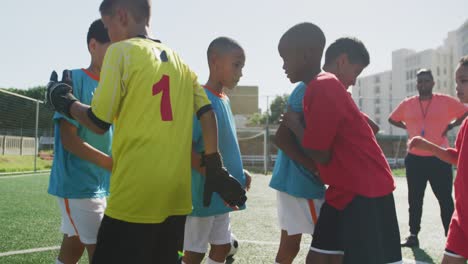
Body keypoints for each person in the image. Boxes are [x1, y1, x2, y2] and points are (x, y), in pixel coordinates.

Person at [44, 1, 246, 263]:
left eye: (108, 26)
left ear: (122, 16)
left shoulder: (121, 52)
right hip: (175, 198)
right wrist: (215, 165)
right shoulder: (179, 60)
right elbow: (207, 114)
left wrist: (65, 101)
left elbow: (97, 121)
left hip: (134, 194)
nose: (110, 34)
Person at [278, 22, 401, 264]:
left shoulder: (323, 86)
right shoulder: (324, 86)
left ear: (306, 55)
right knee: (318, 259)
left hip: (365, 191)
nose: (283, 65)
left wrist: (296, 126)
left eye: (285, 58)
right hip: (344, 189)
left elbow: (320, 154)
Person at [270, 36, 374, 264]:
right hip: (302, 184)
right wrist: (315, 168)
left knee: (291, 245)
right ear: (342, 62)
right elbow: (281, 137)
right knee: (332, 244)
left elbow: (369, 128)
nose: (355, 81)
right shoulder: (310, 87)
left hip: (295, 183)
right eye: (356, 73)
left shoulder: (329, 90)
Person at [47, 19, 112, 264]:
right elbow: (69, 140)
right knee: (105, 254)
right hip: (78, 186)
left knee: (72, 249)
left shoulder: (113, 86)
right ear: (93, 45)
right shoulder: (72, 79)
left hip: (100, 185)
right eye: (112, 48)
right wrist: (111, 164)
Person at [183, 36, 251, 264]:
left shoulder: (225, 100)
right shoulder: (199, 99)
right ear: (215, 61)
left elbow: (227, 144)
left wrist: (240, 174)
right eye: (236, 64)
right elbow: (185, 148)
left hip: (223, 195)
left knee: (222, 247)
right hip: (203, 192)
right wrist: (213, 175)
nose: (240, 72)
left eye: (242, 66)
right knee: (194, 252)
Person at [389, 69, 468, 247]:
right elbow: (392, 118)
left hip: (440, 158)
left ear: (432, 83)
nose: (423, 84)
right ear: (416, 84)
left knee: (445, 199)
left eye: (426, 81)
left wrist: (451, 125)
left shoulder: (445, 101)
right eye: (420, 81)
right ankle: (413, 235)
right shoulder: (408, 103)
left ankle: (452, 236)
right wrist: (408, 127)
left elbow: (464, 112)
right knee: (414, 199)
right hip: (415, 159)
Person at [408, 56, 468, 263]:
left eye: (464, 81)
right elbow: (458, 158)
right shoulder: (466, 124)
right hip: (461, 218)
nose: (458, 87)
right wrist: (429, 147)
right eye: (457, 81)